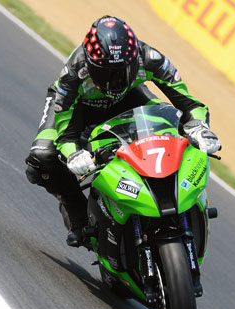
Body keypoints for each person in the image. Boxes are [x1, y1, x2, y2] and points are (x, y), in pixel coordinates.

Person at [25, 15, 220, 248]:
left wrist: (199, 127)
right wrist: (73, 154)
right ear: (89, 65)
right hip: (78, 109)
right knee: (42, 158)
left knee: (171, 122)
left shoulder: (150, 58)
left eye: (121, 72)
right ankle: (76, 212)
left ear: (134, 59)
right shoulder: (73, 73)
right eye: (104, 73)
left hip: (130, 98)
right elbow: (65, 132)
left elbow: (190, 105)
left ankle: (171, 195)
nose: (112, 82)